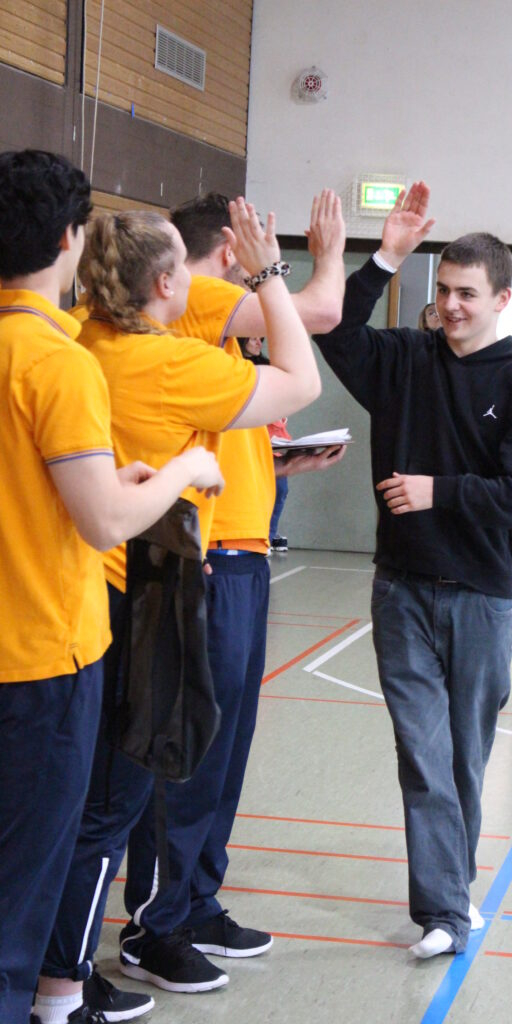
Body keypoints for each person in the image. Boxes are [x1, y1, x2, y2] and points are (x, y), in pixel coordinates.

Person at [35, 199, 322, 1021]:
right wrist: (269, 275)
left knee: (73, 797)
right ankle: (62, 985)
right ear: (167, 283)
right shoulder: (165, 362)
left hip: (80, 590)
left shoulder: (78, 340)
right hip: (139, 595)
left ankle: (57, 969)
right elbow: (300, 378)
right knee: (111, 804)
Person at [0, 150, 223, 1024]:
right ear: (66, 239)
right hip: (39, 661)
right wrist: (181, 473)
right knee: (19, 899)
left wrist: (107, 479)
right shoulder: (55, 361)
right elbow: (102, 524)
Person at [313, 182, 512, 959]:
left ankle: (453, 890)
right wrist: (384, 257)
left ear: (500, 300)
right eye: (443, 289)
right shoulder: (403, 360)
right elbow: (334, 328)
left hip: (479, 598)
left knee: (462, 759)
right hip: (400, 590)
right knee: (421, 756)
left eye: (466, 294)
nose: (450, 305)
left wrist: (437, 491)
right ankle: (444, 912)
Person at [118, 190, 346, 993]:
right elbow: (321, 314)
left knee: (225, 750)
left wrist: (282, 464)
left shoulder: (216, 330)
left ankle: (195, 899)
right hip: (204, 557)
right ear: (224, 247)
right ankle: (155, 923)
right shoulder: (200, 299)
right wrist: (317, 260)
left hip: (243, 553)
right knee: (188, 753)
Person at [238, 336, 292, 551]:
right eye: (252, 338)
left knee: (280, 488)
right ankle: (259, 534)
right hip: (247, 436)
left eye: (260, 338)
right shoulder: (236, 367)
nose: (258, 342)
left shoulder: (268, 366)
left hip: (273, 437)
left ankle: (269, 533)